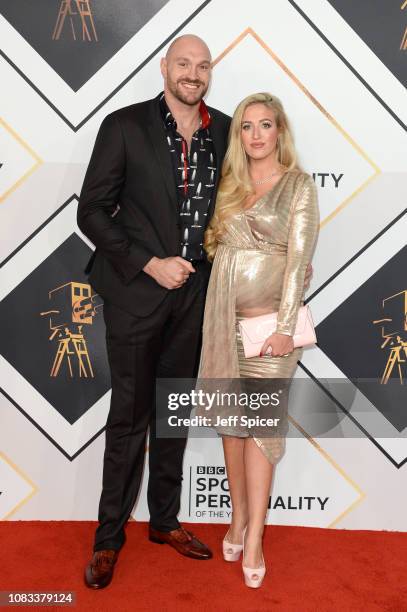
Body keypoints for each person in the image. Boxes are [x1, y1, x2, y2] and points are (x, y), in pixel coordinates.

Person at [77, 34, 231, 589]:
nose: (193, 73)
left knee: (173, 416)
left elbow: (242, 207)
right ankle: (107, 538)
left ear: (211, 73)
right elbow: (91, 211)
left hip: (196, 296)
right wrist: (148, 263)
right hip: (138, 293)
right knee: (129, 419)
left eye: (203, 65)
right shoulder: (124, 125)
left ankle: (165, 521)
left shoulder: (226, 130)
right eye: (183, 63)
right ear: (164, 67)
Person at [198, 92, 319, 588]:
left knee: (262, 432)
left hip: (271, 332)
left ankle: (255, 540)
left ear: (279, 132)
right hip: (223, 324)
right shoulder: (229, 185)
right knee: (231, 426)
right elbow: (211, 245)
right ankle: (238, 517)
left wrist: (285, 328)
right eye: (246, 127)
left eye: (264, 125)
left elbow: (298, 262)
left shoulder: (299, 186)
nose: (255, 135)